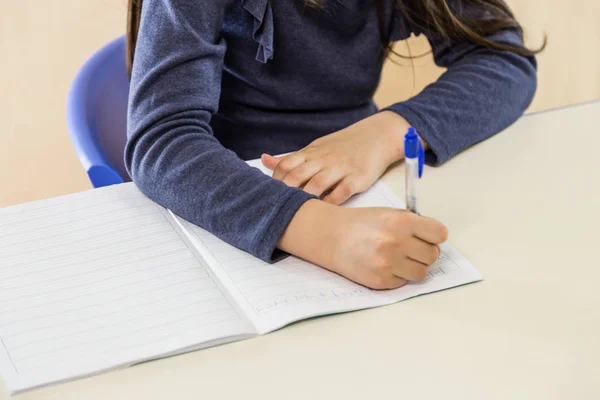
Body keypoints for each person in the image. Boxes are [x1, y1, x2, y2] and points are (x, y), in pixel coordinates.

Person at [125, 0, 542, 289]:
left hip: (363, 175)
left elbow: (504, 59)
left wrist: (383, 133)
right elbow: (163, 140)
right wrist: (330, 236)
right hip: (230, 194)